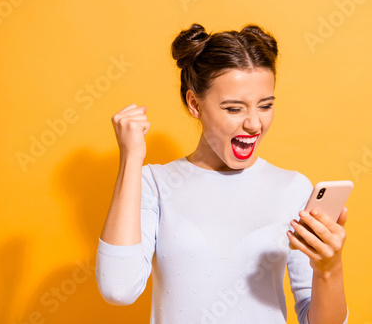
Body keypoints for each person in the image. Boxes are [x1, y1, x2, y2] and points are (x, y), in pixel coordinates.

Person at [95, 23, 349, 324]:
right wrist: (131, 159)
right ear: (194, 105)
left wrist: (329, 268)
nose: (254, 124)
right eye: (233, 109)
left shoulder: (292, 188)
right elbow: (118, 289)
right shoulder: (154, 184)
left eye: (265, 106)